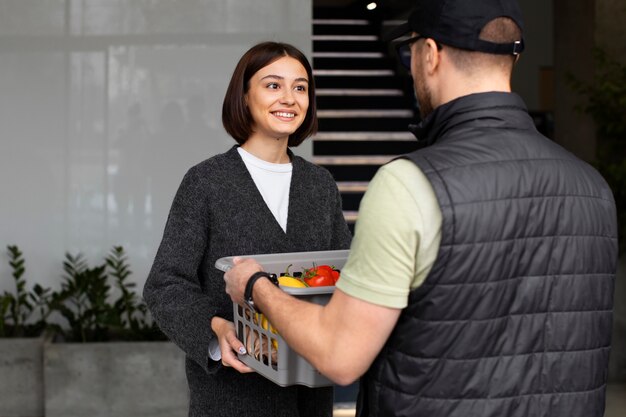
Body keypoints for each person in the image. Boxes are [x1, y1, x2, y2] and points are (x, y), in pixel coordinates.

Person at [223, 1, 619, 417]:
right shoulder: (592, 186)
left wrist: (255, 286)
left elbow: (340, 355)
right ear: (512, 57)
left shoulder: (410, 184)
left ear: (429, 54)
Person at [143, 42, 352, 417]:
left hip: (310, 399)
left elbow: (343, 277)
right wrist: (215, 330)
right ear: (244, 96)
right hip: (231, 399)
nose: (289, 98)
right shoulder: (206, 182)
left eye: (300, 87)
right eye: (273, 85)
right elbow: (165, 284)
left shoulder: (320, 186)